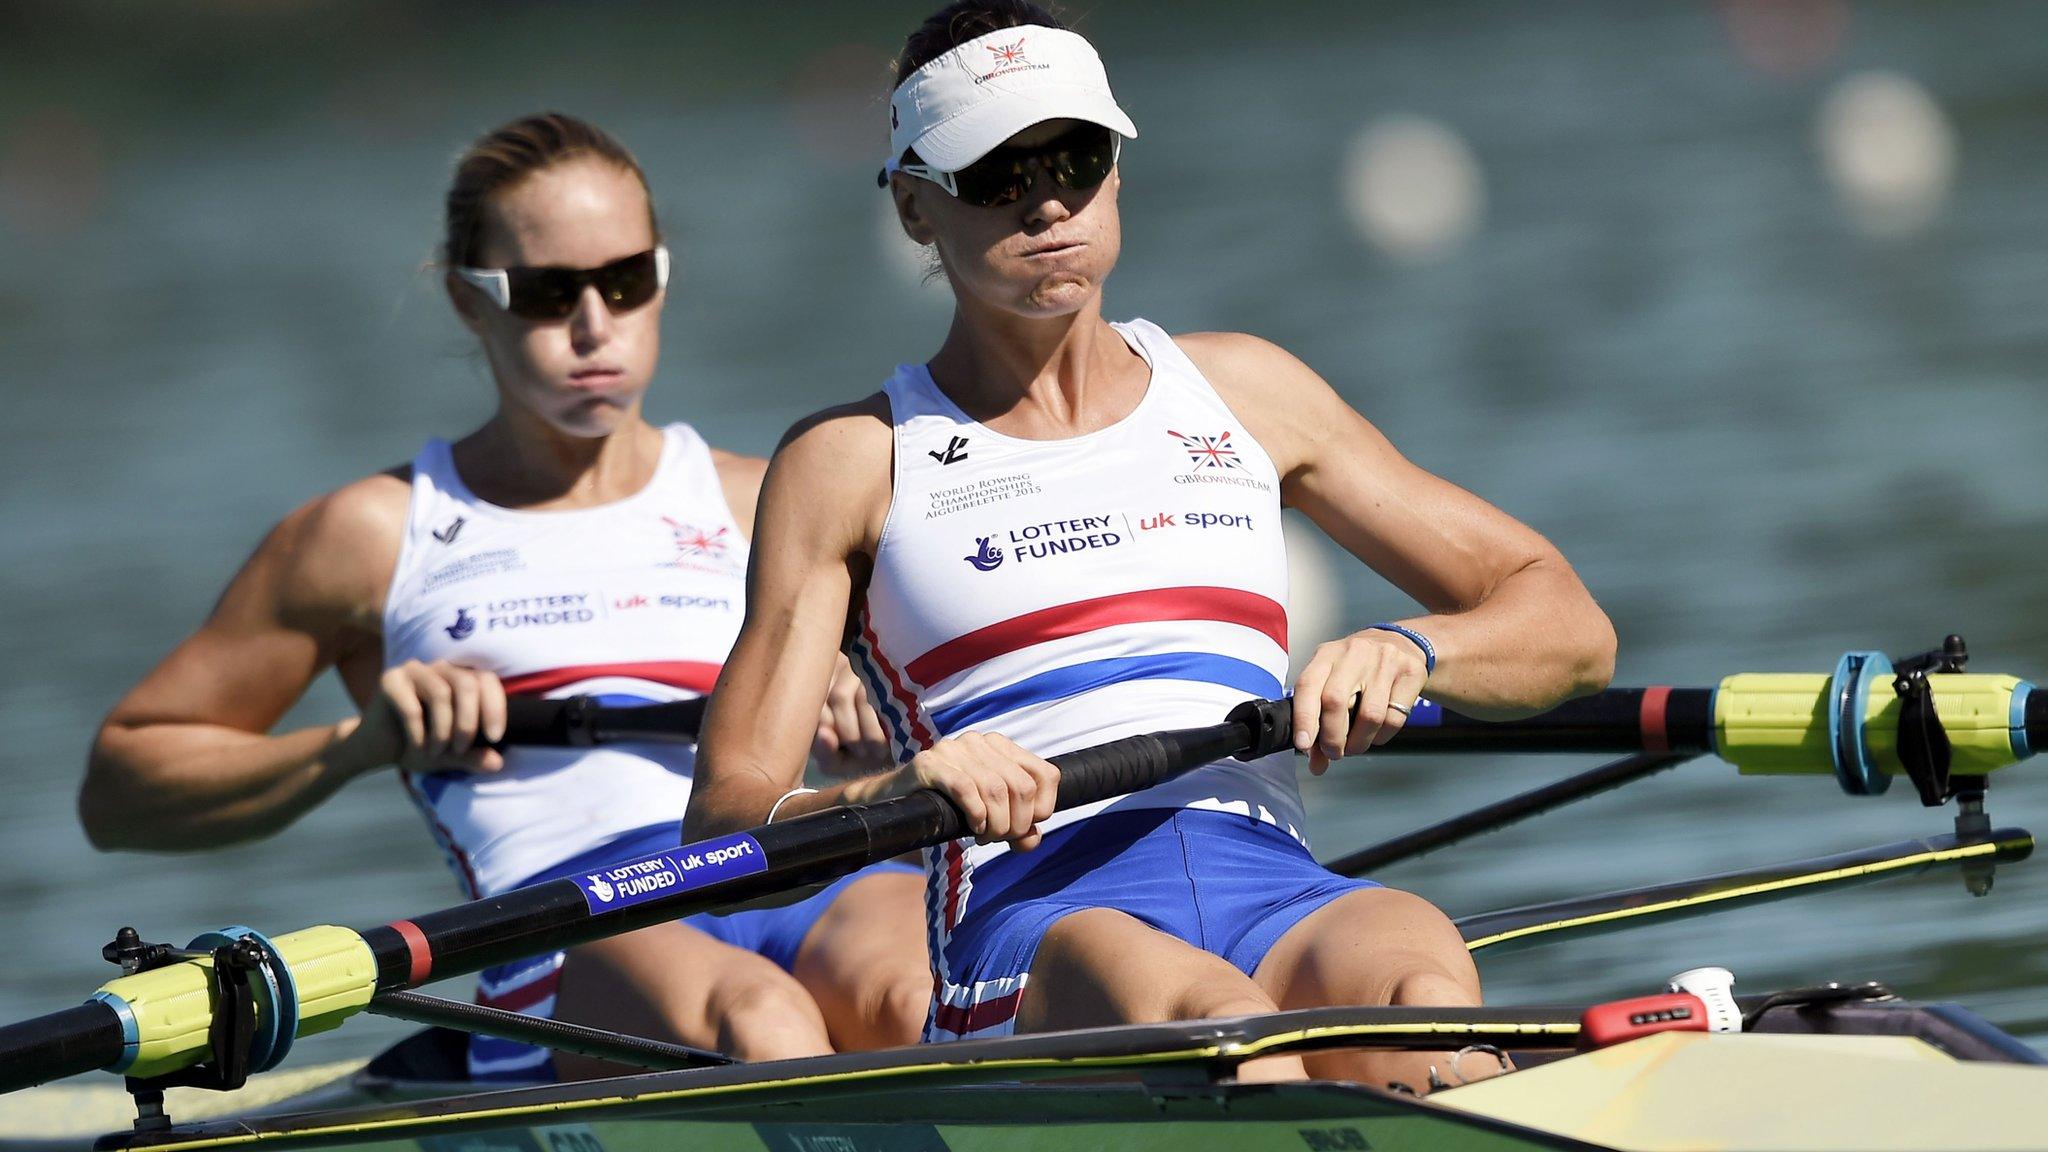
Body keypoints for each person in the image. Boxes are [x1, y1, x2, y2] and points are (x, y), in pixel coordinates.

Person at [684, 2, 1616, 1091]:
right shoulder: (852, 462)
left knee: (1424, 988)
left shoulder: (1247, 392)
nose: (1046, 201)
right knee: (1225, 1028)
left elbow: (1566, 626)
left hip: (1271, 884)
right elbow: (725, 826)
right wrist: (893, 790)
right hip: (1034, 928)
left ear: (1116, 170)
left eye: (1075, 158)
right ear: (912, 210)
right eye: (995, 175)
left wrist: (1412, 650)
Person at [81, 113, 930, 1081]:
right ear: (465, 300)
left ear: (660, 278)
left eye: (624, 282)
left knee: (915, 999)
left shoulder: (770, 498)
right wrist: (352, 749)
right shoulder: (368, 533)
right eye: (544, 293)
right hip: (566, 922)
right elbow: (120, 792)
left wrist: (874, 714)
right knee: (759, 1020)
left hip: (792, 861)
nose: (593, 328)